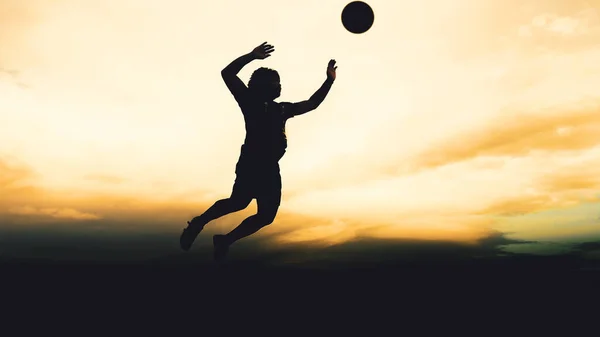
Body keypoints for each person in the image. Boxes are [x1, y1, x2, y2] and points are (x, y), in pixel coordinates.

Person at [180, 42, 337, 261]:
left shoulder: (281, 109)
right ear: (262, 86)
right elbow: (227, 73)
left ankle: (225, 240)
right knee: (239, 202)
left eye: (278, 83)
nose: (278, 87)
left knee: (266, 216)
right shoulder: (249, 102)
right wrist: (251, 56)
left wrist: (329, 81)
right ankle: (198, 223)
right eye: (275, 83)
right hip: (252, 163)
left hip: (270, 168)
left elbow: (312, 103)